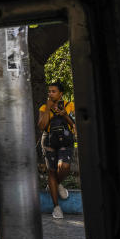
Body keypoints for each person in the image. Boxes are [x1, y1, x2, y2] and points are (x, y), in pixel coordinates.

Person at [38, 81, 76, 219]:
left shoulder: (70, 105)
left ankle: (56, 184)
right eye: (49, 91)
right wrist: (48, 109)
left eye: (53, 91)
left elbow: (75, 125)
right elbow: (41, 126)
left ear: (61, 93)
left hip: (65, 140)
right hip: (49, 141)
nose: (50, 94)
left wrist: (65, 114)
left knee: (64, 166)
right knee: (52, 172)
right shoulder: (43, 107)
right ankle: (56, 207)